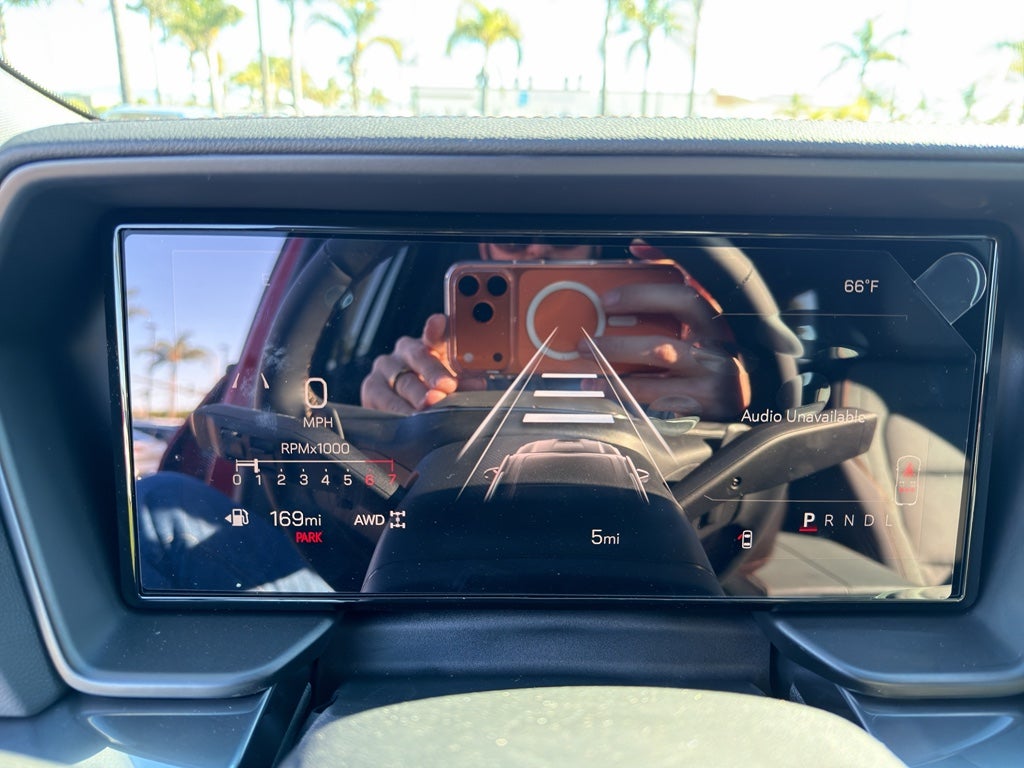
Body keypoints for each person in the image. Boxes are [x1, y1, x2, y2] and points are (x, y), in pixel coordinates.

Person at [361, 240, 750, 420]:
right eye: (512, 238)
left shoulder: (666, 337)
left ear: (595, 248)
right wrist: (396, 400)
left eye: (564, 236)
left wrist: (736, 397)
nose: (535, 250)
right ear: (484, 251)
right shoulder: (453, 359)